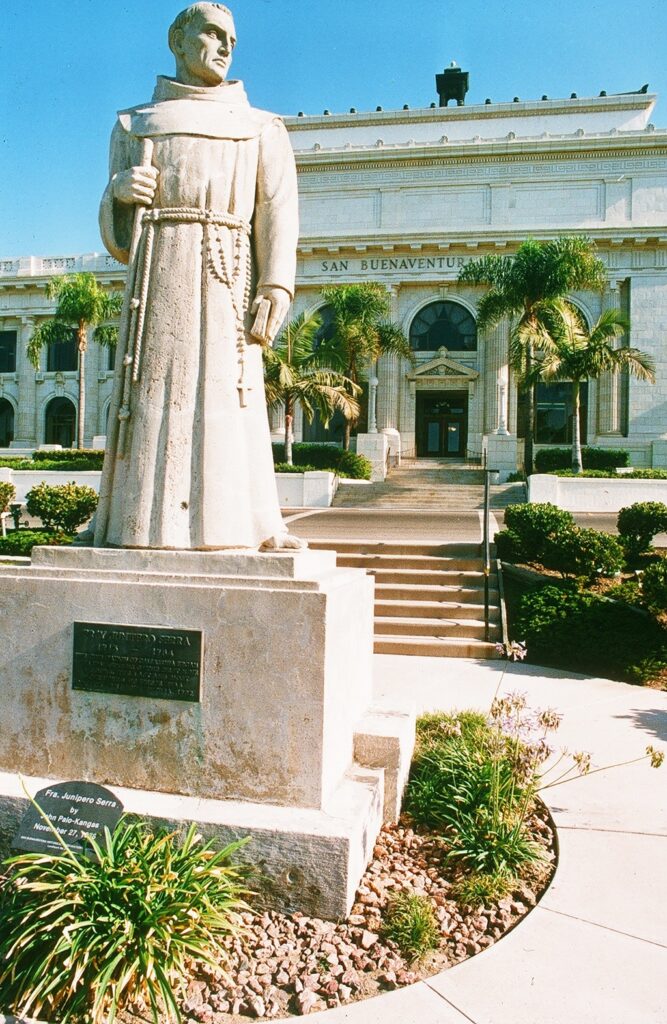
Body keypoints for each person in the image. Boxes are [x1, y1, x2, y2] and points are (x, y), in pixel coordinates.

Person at [94, 2, 302, 550]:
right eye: (212, 33)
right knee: (144, 395)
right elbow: (120, 241)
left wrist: (276, 284)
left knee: (230, 397)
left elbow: (277, 211)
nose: (225, 45)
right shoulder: (134, 125)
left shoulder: (261, 128)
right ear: (178, 41)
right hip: (156, 274)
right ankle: (130, 528)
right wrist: (118, 196)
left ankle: (244, 526)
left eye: (231, 37)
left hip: (226, 275)